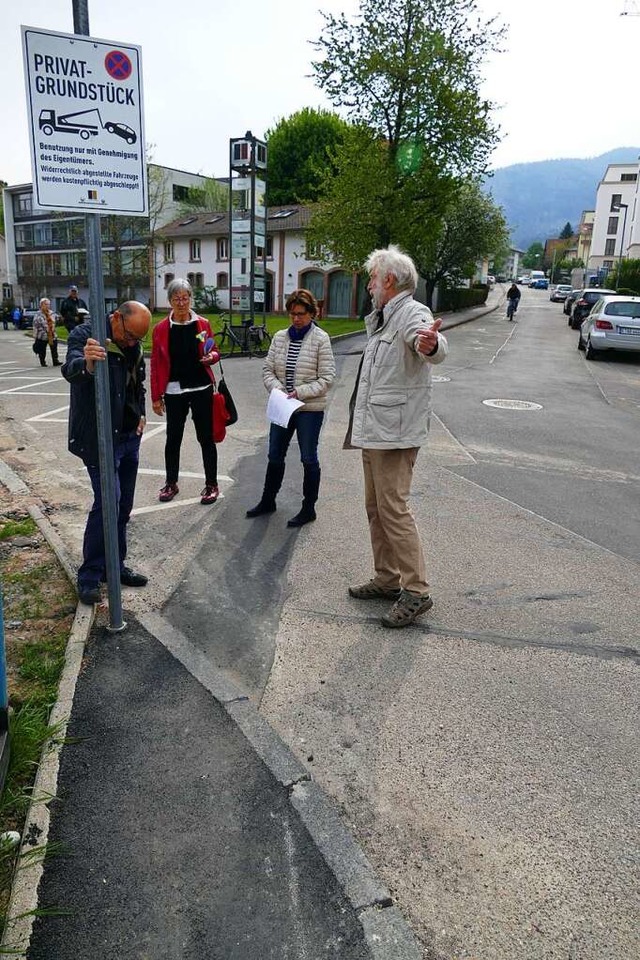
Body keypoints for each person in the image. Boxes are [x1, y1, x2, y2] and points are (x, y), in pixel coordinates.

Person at [344, 245, 448, 628]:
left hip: (394, 435)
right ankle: (388, 578)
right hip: (376, 433)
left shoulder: (410, 313)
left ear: (388, 280)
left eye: (372, 278)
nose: (369, 285)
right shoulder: (385, 317)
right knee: (377, 509)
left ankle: (416, 591)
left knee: (394, 510)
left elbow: (430, 343)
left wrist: (431, 343)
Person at [62, 301, 151, 605]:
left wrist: (140, 412)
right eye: (129, 337)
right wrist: (86, 363)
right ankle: (90, 574)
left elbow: (138, 382)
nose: (132, 343)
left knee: (123, 505)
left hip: (129, 437)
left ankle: (115, 566)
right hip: (100, 439)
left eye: (138, 339)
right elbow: (70, 370)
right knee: (107, 503)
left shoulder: (133, 343)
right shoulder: (85, 335)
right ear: (116, 318)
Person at [247, 289, 336, 527]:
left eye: (301, 314)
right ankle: (268, 500)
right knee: (274, 455)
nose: (296, 319)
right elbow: (268, 370)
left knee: (308, 458)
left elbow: (327, 378)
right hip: (283, 407)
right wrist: (280, 391)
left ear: (311, 313)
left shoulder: (321, 339)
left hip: (309, 409)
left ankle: (309, 508)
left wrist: (299, 393)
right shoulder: (279, 337)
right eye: (292, 314)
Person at [150, 278, 221, 505]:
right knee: (173, 439)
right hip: (174, 390)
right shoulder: (161, 329)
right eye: (176, 298)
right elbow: (155, 365)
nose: (181, 303)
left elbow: (214, 350)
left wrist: (211, 357)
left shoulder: (202, 324)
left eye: (185, 297)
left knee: (206, 438)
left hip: (201, 387)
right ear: (169, 300)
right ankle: (171, 483)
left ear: (191, 298)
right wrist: (155, 397)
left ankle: (211, 484)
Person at [32, 297, 60, 367]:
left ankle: (55, 360)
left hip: (52, 334)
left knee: (54, 348)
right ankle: (42, 361)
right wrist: (47, 328)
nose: (47, 306)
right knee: (42, 350)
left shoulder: (52, 313)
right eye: (46, 304)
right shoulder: (38, 314)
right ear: (41, 305)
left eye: (48, 304)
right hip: (42, 335)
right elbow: (37, 324)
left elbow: (57, 320)